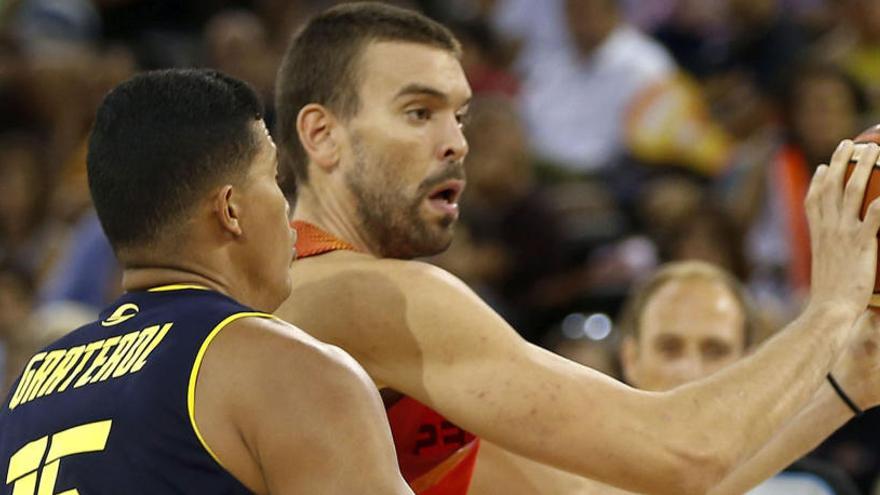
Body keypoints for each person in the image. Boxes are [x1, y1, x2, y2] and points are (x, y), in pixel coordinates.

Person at [274, 3, 880, 494]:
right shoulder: (371, 295)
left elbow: (606, 492)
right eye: (418, 112)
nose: (457, 141)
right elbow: (678, 454)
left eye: (459, 114)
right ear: (322, 135)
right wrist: (831, 306)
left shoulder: (327, 299)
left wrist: (847, 382)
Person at [0, 69, 413, 495]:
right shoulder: (282, 366)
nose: (288, 207)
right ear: (230, 210)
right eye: (273, 178)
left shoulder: (28, 389)